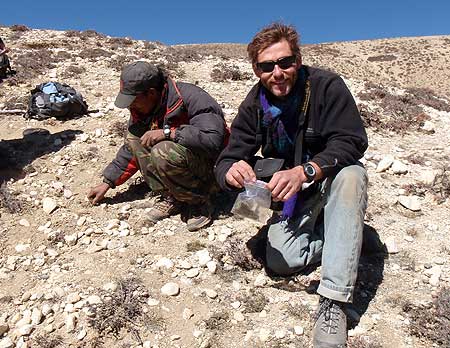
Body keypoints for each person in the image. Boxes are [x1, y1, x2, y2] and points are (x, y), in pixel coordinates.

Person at [214, 23, 368, 347]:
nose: (278, 73)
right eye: (267, 66)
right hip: (292, 199)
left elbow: (352, 141)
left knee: (353, 175)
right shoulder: (255, 103)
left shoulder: (327, 87)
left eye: (284, 62)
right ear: (256, 69)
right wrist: (231, 171)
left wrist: (305, 171)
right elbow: (229, 156)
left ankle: (334, 302)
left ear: (297, 60)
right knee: (281, 261)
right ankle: (344, 237)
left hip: (325, 182)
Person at [88, 61, 228, 231]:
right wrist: (108, 182)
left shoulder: (192, 97)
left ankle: (199, 200)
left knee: (162, 150)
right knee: (134, 137)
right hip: (183, 163)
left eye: (133, 100)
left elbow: (213, 141)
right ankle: (171, 196)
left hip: (214, 169)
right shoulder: (143, 110)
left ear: (151, 93)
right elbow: (131, 150)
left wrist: (169, 133)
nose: (131, 106)